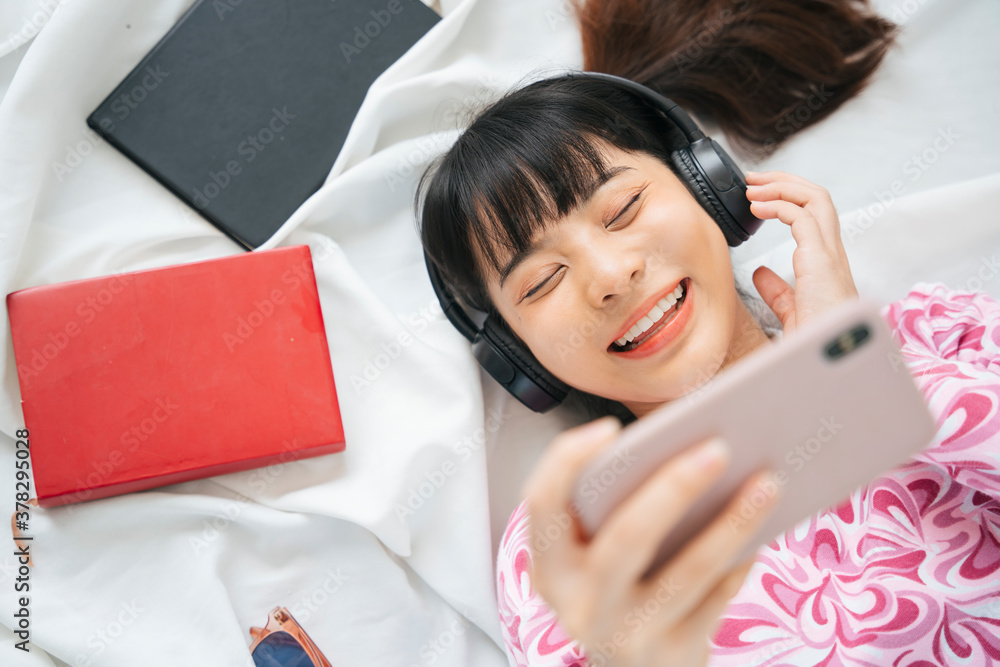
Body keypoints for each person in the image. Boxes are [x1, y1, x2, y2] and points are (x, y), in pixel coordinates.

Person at [417, 3, 1000, 665]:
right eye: (542, 280)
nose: (611, 276)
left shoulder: (929, 333)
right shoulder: (566, 538)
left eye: (625, 208)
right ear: (519, 359)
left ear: (708, 188)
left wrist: (850, 360)